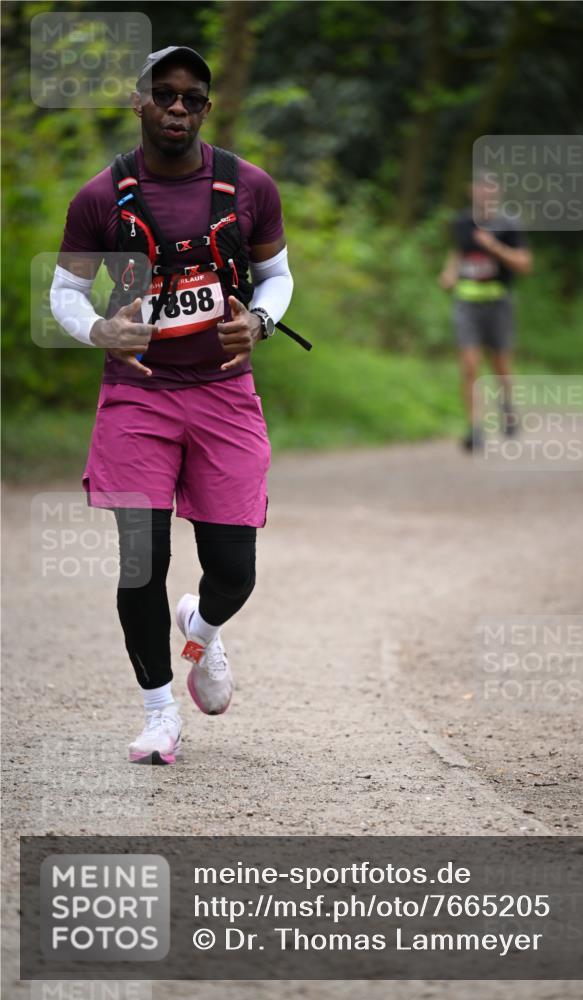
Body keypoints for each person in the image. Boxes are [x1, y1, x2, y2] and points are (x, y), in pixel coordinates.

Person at [50, 46, 294, 764]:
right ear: (138, 103)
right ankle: (159, 714)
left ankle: (203, 629)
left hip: (223, 396)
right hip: (137, 399)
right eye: (163, 95)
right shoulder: (101, 197)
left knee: (234, 570)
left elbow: (276, 277)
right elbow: (63, 293)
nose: (177, 108)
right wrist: (98, 327)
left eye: (191, 97)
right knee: (139, 564)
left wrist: (258, 320)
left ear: (206, 108)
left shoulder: (248, 187)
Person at [439, 173, 532, 451]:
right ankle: (475, 428)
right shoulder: (462, 222)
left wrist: (494, 247)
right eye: (480, 189)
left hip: (498, 302)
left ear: (498, 193)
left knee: (501, 365)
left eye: (490, 190)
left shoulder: (509, 225)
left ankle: (508, 410)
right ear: (472, 192)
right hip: (466, 302)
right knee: (469, 365)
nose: (485, 194)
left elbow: (525, 264)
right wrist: (449, 273)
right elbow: (458, 253)